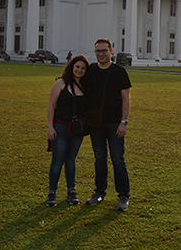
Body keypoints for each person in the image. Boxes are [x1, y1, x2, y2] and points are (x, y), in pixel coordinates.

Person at [85, 38, 132, 211]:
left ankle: (124, 196)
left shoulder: (119, 72)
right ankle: (99, 193)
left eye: (104, 50)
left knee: (118, 160)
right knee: (99, 159)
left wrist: (124, 122)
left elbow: (126, 98)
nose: (101, 54)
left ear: (111, 51)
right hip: (96, 124)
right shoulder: (91, 70)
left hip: (115, 123)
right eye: (97, 51)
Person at [46, 55, 89, 207]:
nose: (80, 70)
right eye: (77, 67)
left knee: (71, 160)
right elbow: (52, 105)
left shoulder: (85, 87)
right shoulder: (61, 83)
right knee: (58, 160)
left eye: (83, 68)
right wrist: (50, 127)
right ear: (71, 67)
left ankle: (71, 191)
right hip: (60, 127)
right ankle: (52, 192)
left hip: (77, 129)